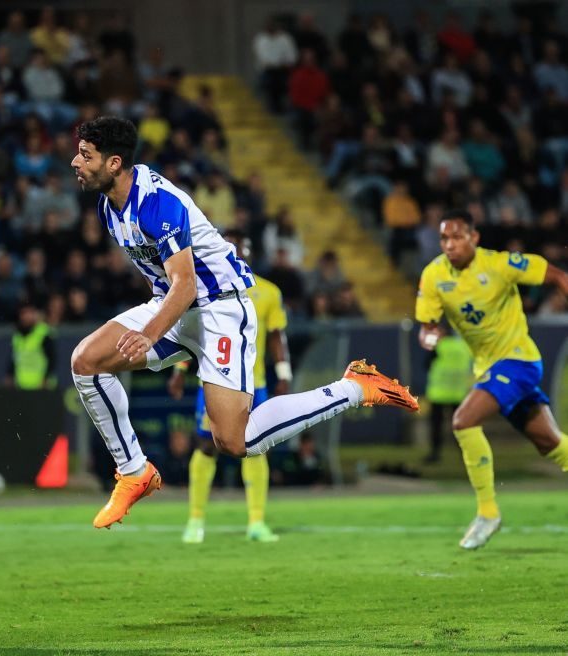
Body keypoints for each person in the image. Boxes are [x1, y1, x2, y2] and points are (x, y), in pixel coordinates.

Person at [69, 117, 419, 529]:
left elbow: (186, 285)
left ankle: (354, 388)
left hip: (220, 308)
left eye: (85, 155)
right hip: (175, 306)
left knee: (234, 441)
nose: (75, 161)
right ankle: (133, 471)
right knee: (86, 362)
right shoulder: (108, 205)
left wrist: (149, 335)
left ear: (113, 163)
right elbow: (172, 290)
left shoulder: (157, 204)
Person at [416, 209, 568, 550]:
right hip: (488, 368)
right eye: (444, 238)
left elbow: (557, 275)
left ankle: (488, 512)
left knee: (463, 420)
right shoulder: (433, 275)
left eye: (457, 237)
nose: (450, 245)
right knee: (551, 444)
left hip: (519, 360)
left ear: (474, 237)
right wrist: (430, 338)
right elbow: (426, 328)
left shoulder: (501, 265)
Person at [168, 229, 288, 544]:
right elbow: (191, 333)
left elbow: (277, 336)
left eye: (243, 247)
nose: (239, 252)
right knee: (207, 446)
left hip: (255, 384)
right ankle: (195, 521)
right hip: (214, 381)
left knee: (256, 448)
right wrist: (180, 370)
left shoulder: (268, 292)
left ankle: (257, 523)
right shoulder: (206, 290)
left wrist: (284, 372)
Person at [423, 335, 474, 464]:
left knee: (436, 426)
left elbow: (426, 364)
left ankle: (435, 453)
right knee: (461, 427)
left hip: (438, 393)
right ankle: (464, 454)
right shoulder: (465, 346)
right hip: (458, 393)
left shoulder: (438, 346)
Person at [6, 303, 56, 390]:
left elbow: (52, 359)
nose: (27, 317)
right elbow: (15, 359)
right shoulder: (17, 336)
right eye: (24, 313)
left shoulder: (43, 333)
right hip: (21, 385)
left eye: (30, 313)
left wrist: (46, 378)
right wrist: (10, 375)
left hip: (41, 385)